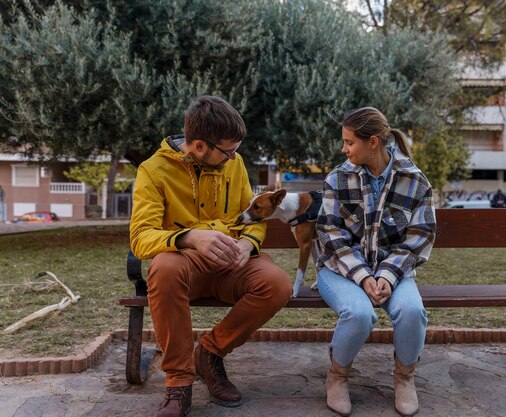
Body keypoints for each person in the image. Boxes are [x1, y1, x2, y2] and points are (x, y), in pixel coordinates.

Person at [130, 96, 292, 417]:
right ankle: (178, 383)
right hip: (184, 268)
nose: (234, 156)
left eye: (236, 150)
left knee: (277, 283)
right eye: (228, 150)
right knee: (163, 265)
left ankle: (209, 353)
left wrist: (247, 245)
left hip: (231, 263)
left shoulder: (235, 163)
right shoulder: (153, 171)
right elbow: (141, 238)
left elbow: (253, 217)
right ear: (200, 146)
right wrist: (190, 237)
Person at [316, 107, 436, 417]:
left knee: (412, 311)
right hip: (339, 269)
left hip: (393, 271)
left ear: (372, 142)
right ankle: (338, 377)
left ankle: (405, 379)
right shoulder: (339, 177)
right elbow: (329, 234)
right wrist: (362, 276)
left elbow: (420, 235)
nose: (343, 149)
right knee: (358, 314)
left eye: (348, 142)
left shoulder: (414, 180)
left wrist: (387, 275)